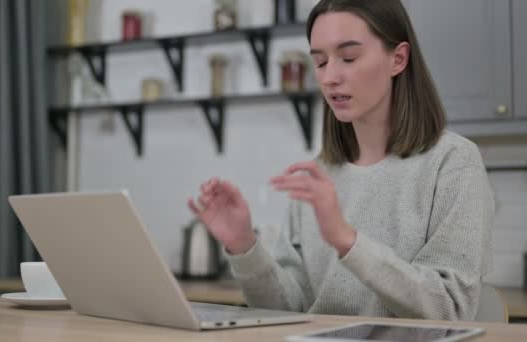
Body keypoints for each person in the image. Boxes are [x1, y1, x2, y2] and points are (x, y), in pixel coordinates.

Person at [188, 0, 493, 320]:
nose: (330, 77)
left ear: (398, 59)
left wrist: (348, 241)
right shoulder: (319, 175)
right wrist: (244, 245)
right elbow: (287, 311)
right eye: (320, 62)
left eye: (348, 57)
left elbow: (452, 309)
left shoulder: (453, 163)